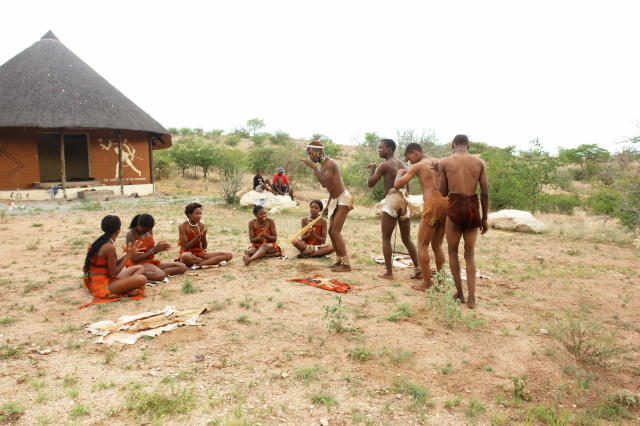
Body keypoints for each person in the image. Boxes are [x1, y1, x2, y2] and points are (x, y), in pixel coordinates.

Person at [438, 134, 489, 309]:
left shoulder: (444, 162)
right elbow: (485, 192)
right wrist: (485, 218)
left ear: (453, 144)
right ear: (468, 144)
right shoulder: (479, 163)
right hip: (472, 208)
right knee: (470, 254)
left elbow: (443, 192)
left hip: (455, 207)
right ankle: (472, 298)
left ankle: (459, 293)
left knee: (452, 252)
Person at [394, 143, 449, 291]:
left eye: (409, 158)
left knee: (422, 245)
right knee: (437, 244)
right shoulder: (440, 162)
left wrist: (400, 172)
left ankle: (427, 283)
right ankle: (442, 281)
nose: (410, 161)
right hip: (446, 203)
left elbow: (398, 184)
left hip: (432, 203)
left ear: (414, 152)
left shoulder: (418, 165)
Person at [367, 139, 420, 279]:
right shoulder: (403, 164)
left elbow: (371, 183)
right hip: (405, 199)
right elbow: (406, 186)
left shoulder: (384, 165)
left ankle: (389, 273)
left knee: (386, 237)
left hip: (392, 198)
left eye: (381, 148)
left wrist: (373, 168)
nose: (378, 150)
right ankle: (418, 269)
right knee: (407, 238)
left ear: (389, 148)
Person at [302, 140, 354, 272]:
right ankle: (340, 261)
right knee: (332, 232)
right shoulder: (323, 164)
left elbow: (325, 183)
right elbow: (332, 187)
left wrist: (313, 167)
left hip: (343, 198)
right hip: (335, 199)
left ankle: (346, 265)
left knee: (335, 232)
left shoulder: (330, 163)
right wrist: (329, 204)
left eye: (310, 153)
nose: (309, 157)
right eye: (308, 154)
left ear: (318, 151)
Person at [82, 215, 147, 301]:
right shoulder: (109, 247)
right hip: (101, 285)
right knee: (142, 279)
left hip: (101, 279)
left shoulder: (100, 242)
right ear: (118, 230)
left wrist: (129, 254)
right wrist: (128, 256)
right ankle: (128, 289)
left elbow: (111, 264)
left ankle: (128, 287)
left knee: (141, 267)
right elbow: (113, 274)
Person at [126, 213, 187, 281]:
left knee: (182, 267)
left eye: (149, 229)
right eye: (145, 230)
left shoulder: (149, 230)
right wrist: (153, 250)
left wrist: (158, 249)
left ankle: (155, 274)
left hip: (149, 262)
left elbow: (150, 250)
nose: (147, 231)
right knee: (160, 275)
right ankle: (134, 273)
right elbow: (135, 258)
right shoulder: (131, 233)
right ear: (138, 225)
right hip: (137, 264)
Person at [178, 203, 233, 267]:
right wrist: (198, 236)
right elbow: (186, 247)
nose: (200, 216)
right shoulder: (183, 226)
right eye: (197, 214)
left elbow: (204, 247)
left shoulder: (201, 225)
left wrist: (203, 236)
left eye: (200, 213)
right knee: (185, 257)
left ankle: (199, 265)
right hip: (188, 253)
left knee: (229, 254)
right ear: (189, 215)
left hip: (200, 253)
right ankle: (211, 262)